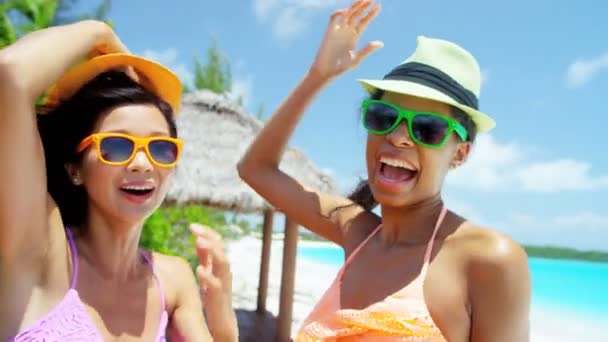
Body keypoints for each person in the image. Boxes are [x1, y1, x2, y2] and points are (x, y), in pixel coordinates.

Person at [237, 0, 531, 340]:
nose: (397, 136)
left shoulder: (489, 259)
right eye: (383, 117)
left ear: (460, 153)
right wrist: (317, 78)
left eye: (428, 128)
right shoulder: (357, 232)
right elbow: (255, 169)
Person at [0, 20, 237, 341]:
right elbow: (9, 74)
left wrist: (222, 319)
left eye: (160, 148)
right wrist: (101, 33)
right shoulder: (42, 252)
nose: (142, 164)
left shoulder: (174, 279)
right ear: (75, 168)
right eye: (116, 146)